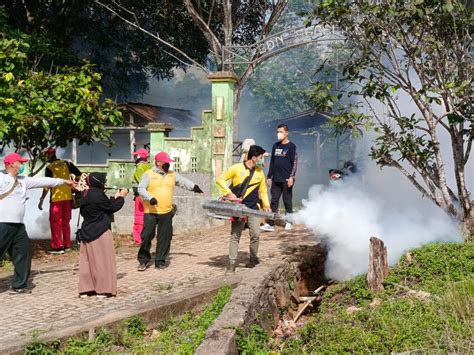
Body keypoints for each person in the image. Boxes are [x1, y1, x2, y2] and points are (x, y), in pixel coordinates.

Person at [0, 153, 75, 294]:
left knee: (23, 253)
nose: (22, 165)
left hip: (18, 226)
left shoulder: (23, 181)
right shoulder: (1, 178)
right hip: (2, 223)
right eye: (20, 163)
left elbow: (45, 181)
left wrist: (64, 182)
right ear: (11, 164)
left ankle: (19, 285)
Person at [137, 151, 204, 271]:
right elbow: (140, 188)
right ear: (158, 162)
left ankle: (160, 261)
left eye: (169, 163)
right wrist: (150, 198)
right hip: (151, 211)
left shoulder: (172, 174)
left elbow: (183, 182)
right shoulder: (149, 174)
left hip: (166, 211)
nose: (168, 165)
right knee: (147, 236)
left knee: (165, 237)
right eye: (166, 163)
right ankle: (143, 260)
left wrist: (194, 187)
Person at [216, 145, 271, 273]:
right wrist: (228, 193)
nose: (263, 160)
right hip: (238, 207)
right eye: (261, 157)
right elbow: (220, 179)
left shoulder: (260, 173)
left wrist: (267, 206)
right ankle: (232, 263)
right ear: (253, 158)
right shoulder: (236, 168)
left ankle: (253, 259)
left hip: (253, 208)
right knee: (235, 235)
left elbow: (263, 191)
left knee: (256, 234)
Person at [78, 172, 128, 298]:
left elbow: (102, 206)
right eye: (104, 181)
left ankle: (87, 289)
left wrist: (114, 197)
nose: (105, 183)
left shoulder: (85, 194)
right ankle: (103, 289)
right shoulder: (98, 195)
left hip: (87, 231)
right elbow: (111, 208)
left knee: (87, 262)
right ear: (98, 182)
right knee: (103, 261)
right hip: (100, 231)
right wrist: (122, 197)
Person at [38, 147, 82, 254]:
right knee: (66, 222)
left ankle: (58, 247)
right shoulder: (66, 163)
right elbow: (79, 174)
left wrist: (42, 199)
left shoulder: (49, 167)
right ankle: (67, 245)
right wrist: (74, 183)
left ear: (48, 156)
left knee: (55, 222)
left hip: (56, 199)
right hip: (68, 197)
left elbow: (47, 185)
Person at [261, 124, 297, 232]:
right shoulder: (275, 146)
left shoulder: (292, 146)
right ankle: (271, 223)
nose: (279, 134)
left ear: (286, 133)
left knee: (287, 201)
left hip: (286, 180)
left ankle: (289, 222)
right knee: (274, 202)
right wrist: (269, 176)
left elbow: (294, 163)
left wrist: (292, 177)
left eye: (281, 132)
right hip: (275, 179)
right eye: (278, 132)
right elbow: (272, 162)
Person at [131, 148, 152, 245]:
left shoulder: (140, 168)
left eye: (136, 156)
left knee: (139, 217)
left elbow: (141, 184)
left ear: (139, 158)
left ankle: (138, 239)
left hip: (140, 196)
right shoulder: (150, 167)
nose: (135, 158)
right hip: (149, 196)